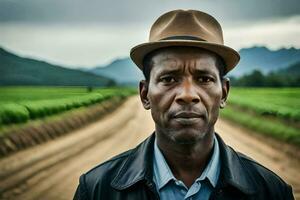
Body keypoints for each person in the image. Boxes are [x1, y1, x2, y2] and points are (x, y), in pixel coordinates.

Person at [73, 9, 294, 200]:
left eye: (204, 79)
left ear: (224, 93)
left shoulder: (272, 191)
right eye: (169, 79)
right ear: (145, 94)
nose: (188, 95)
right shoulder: (96, 190)